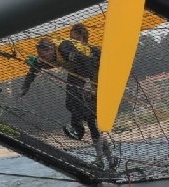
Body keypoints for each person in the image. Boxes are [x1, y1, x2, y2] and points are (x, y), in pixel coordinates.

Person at [21, 25, 114, 167]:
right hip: (77, 71)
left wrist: (89, 84)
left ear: (51, 49)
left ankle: (99, 153)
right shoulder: (45, 57)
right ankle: (102, 156)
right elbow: (34, 69)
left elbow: (86, 63)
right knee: (74, 106)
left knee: (89, 115)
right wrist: (25, 87)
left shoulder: (65, 48)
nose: (44, 59)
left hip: (94, 70)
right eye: (41, 56)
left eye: (45, 56)